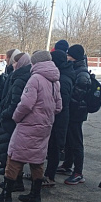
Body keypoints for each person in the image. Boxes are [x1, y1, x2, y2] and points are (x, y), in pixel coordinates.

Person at [0, 51, 62, 202]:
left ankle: (6, 195)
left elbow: (26, 104)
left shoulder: (35, 79)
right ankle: (35, 195)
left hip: (28, 125)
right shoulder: (55, 81)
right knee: (37, 160)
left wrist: (16, 117)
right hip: (45, 126)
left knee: (14, 156)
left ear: (35, 63)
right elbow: (58, 106)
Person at [0, 52, 32, 192]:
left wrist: (7, 113)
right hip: (10, 115)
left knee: (12, 150)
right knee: (8, 147)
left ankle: (13, 180)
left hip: (12, 118)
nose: (12, 64)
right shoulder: (18, 75)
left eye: (15, 62)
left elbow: (16, 101)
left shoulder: (21, 78)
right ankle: (10, 176)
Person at [57, 44, 91, 185]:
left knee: (76, 141)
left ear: (74, 57)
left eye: (69, 55)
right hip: (72, 111)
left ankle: (78, 172)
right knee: (70, 140)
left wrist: (65, 99)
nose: (67, 57)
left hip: (76, 113)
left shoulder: (82, 73)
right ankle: (67, 164)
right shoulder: (76, 69)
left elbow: (77, 95)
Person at [42, 50, 75, 186]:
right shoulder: (63, 74)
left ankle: (50, 176)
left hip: (59, 118)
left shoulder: (63, 79)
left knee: (54, 147)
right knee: (51, 146)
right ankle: (45, 174)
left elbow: (61, 103)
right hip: (57, 117)